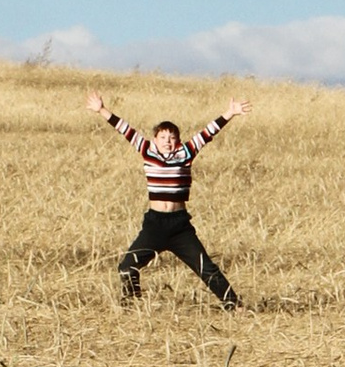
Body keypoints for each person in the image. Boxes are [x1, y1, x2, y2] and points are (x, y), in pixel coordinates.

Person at [89, 91, 246, 306]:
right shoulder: (146, 151)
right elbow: (124, 129)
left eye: (172, 138)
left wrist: (230, 113)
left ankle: (233, 304)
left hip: (180, 225)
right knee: (127, 266)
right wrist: (101, 110)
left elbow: (208, 133)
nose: (168, 142)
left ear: (178, 140)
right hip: (155, 224)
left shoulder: (186, 153)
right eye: (163, 137)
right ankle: (132, 305)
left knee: (205, 267)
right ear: (155, 140)